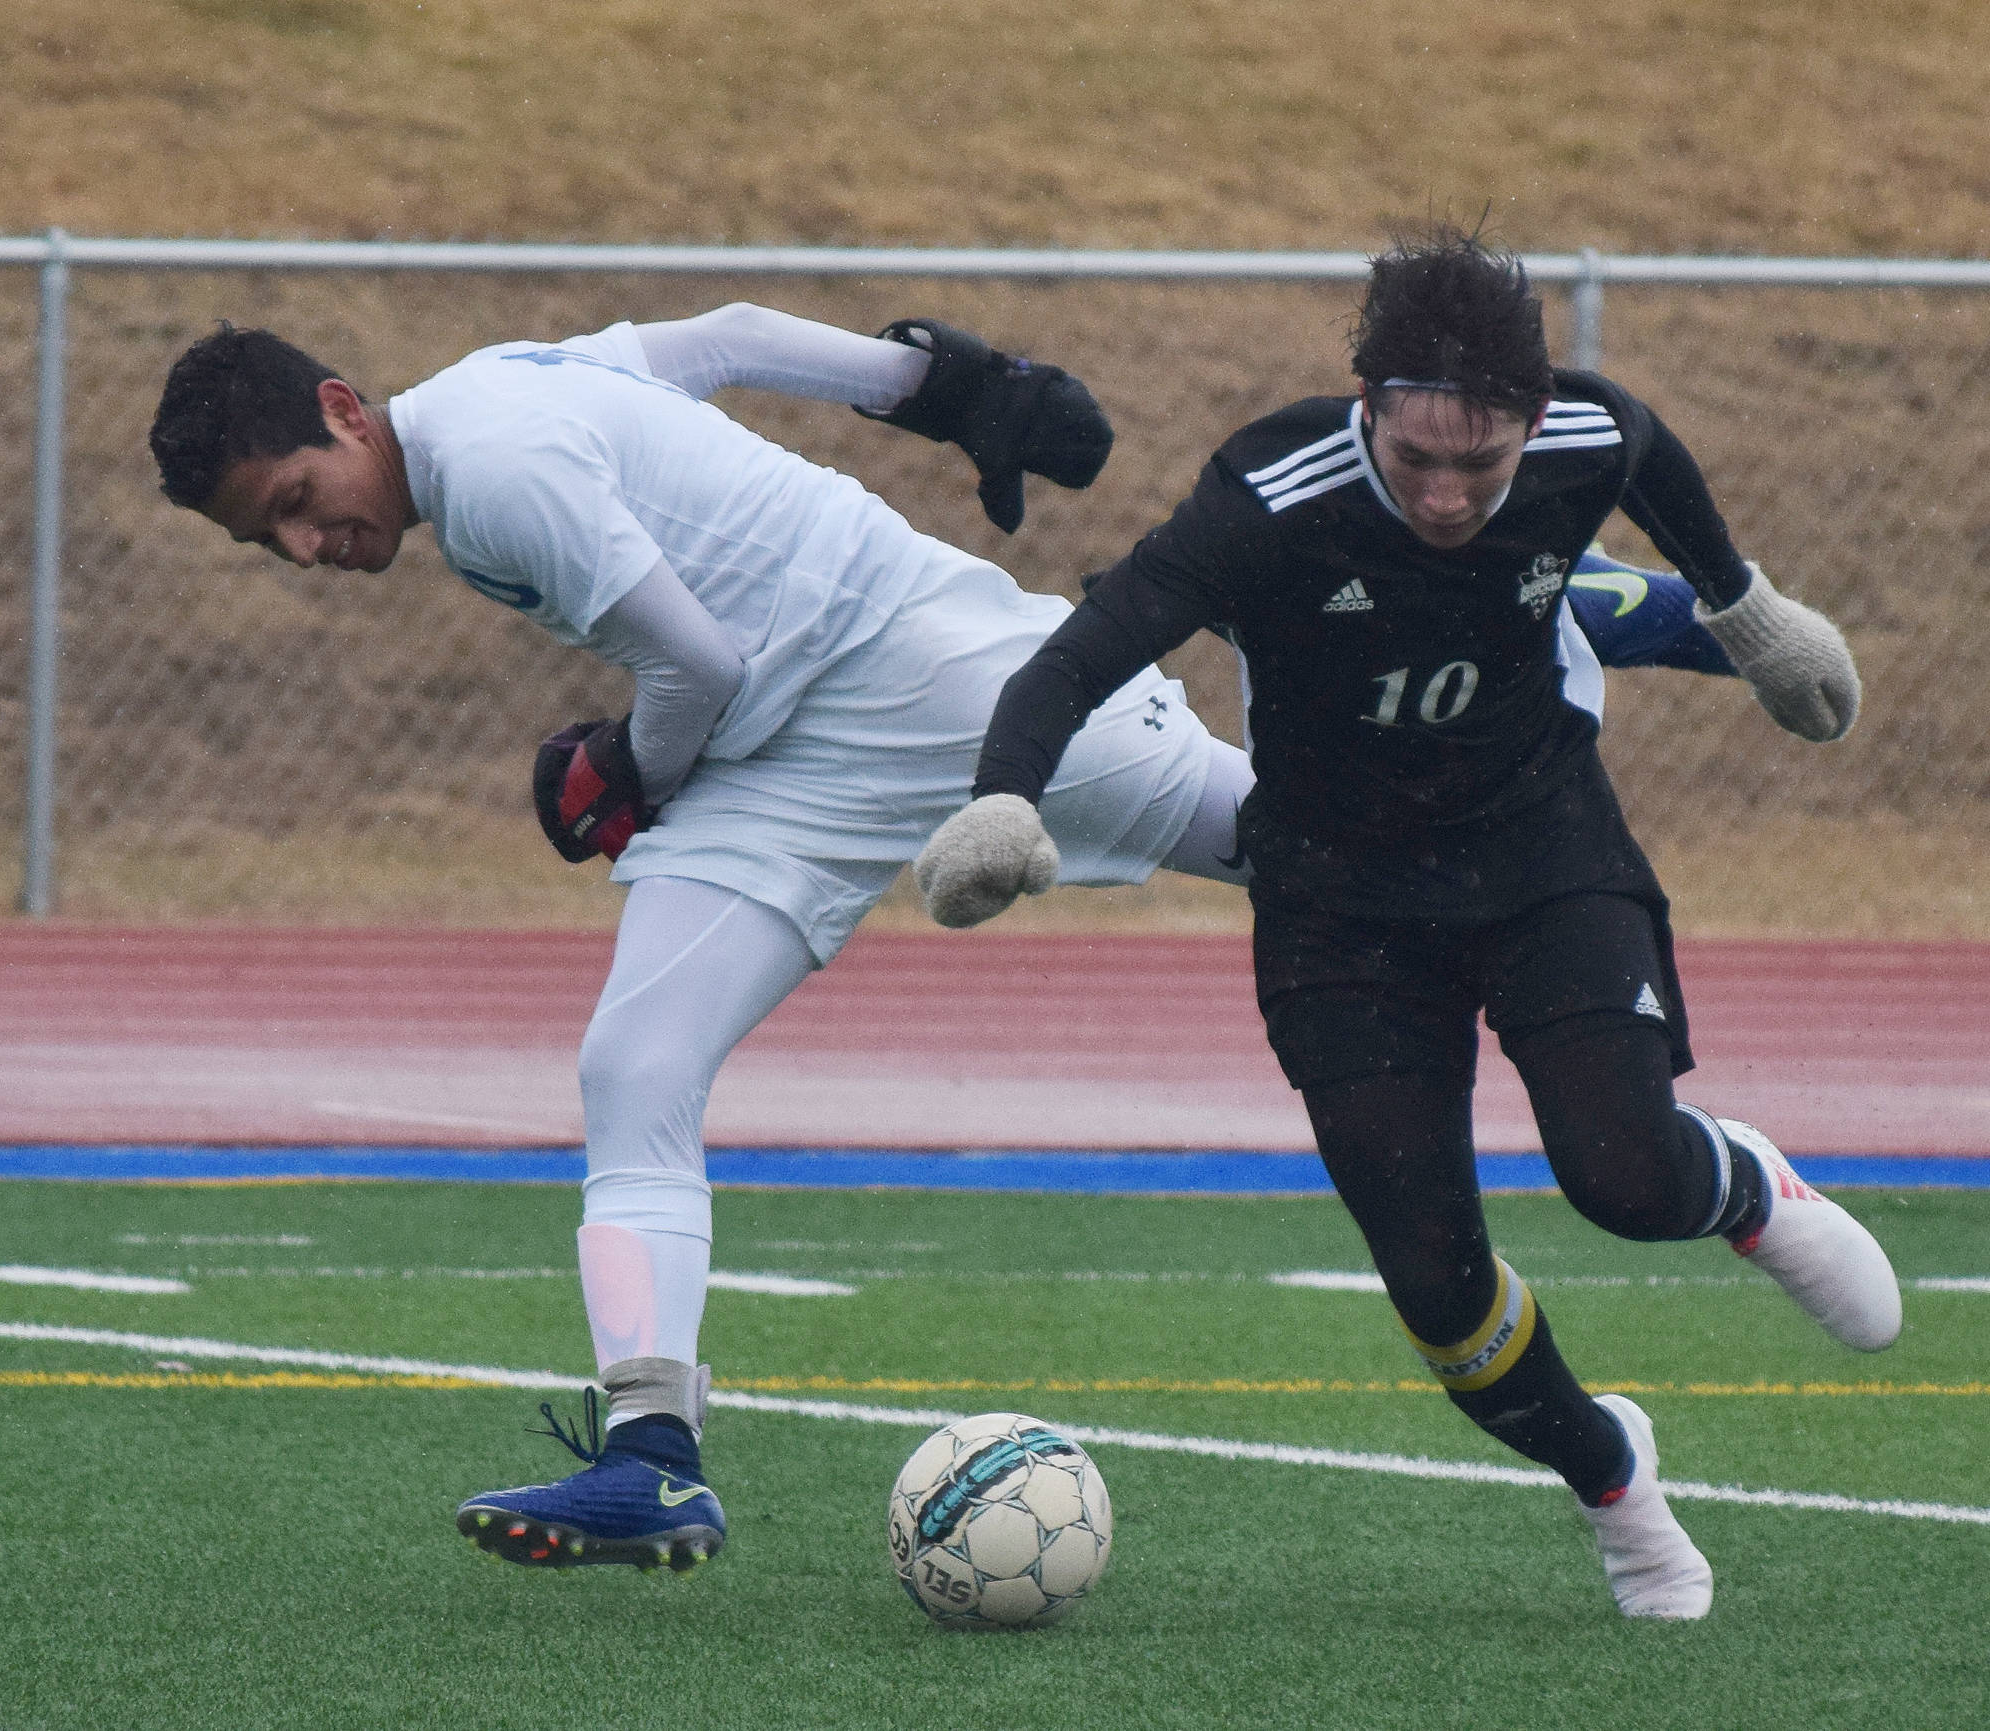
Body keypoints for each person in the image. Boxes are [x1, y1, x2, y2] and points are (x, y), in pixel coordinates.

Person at [149, 297, 1744, 1586]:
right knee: (634, 1058)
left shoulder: (492, 463)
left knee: (1304, 839)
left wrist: (626, 771)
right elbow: (711, 341)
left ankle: (1557, 607)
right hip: (785, 756)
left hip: (916, 663)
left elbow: (693, 664)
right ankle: (653, 1453)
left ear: (347, 412)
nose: (308, 546)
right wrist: (925, 382)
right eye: (266, 541)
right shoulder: (484, 393)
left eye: (299, 501)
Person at [915, 232, 1902, 1622]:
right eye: (1415, 455)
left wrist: (1745, 608)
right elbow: (1077, 656)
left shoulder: (1584, 434)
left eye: (1480, 465)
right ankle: (1615, 1478)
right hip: (1338, 901)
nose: (1446, 493)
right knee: (1436, 1290)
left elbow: (1650, 457)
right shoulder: (1266, 496)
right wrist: (1006, 802)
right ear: (1366, 402)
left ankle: (1742, 1188)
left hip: (1541, 848)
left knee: (1623, 1178)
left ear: (1531, 420)